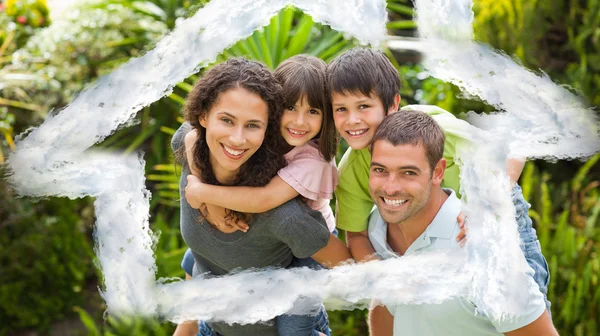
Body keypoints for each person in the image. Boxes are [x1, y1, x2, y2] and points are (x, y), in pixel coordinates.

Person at [326, 47, 551, 318]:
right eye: (341, 109)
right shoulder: (350, 170)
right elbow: (357, 235)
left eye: (364, 106)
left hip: (497, 222)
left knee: (518, 315)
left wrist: (485, 206)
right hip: (440, 246)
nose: (353, 120)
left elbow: (512, 152)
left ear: (393, 104)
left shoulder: (429, 128)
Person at [171, 58, 351, 336]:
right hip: (212, 328)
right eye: (227, 120)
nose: (237, 138)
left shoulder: (294, 196)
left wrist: (205, 194)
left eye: (253, 125)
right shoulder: (194, 152)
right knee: (196, 254)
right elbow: (187, 135)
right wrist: (209, 197)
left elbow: (265, 200)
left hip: (312, 238)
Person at [365, 110, 557, 335]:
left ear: (438, 172)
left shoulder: (487, 255)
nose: (390, 187)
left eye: (408, 173)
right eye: (380, 170)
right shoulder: (377, 225)